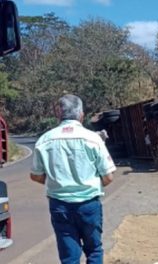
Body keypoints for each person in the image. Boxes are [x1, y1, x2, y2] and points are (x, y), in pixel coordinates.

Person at [30, 94, 116, 264]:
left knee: (69, 256)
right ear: (81, 114)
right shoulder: (93, 139)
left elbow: (36, 176)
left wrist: (57, 180)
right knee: (94, 250)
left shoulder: (44, 140)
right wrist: (87, 183)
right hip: (89, 205)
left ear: (58, 114)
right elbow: (108, 177)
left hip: (60, 206)